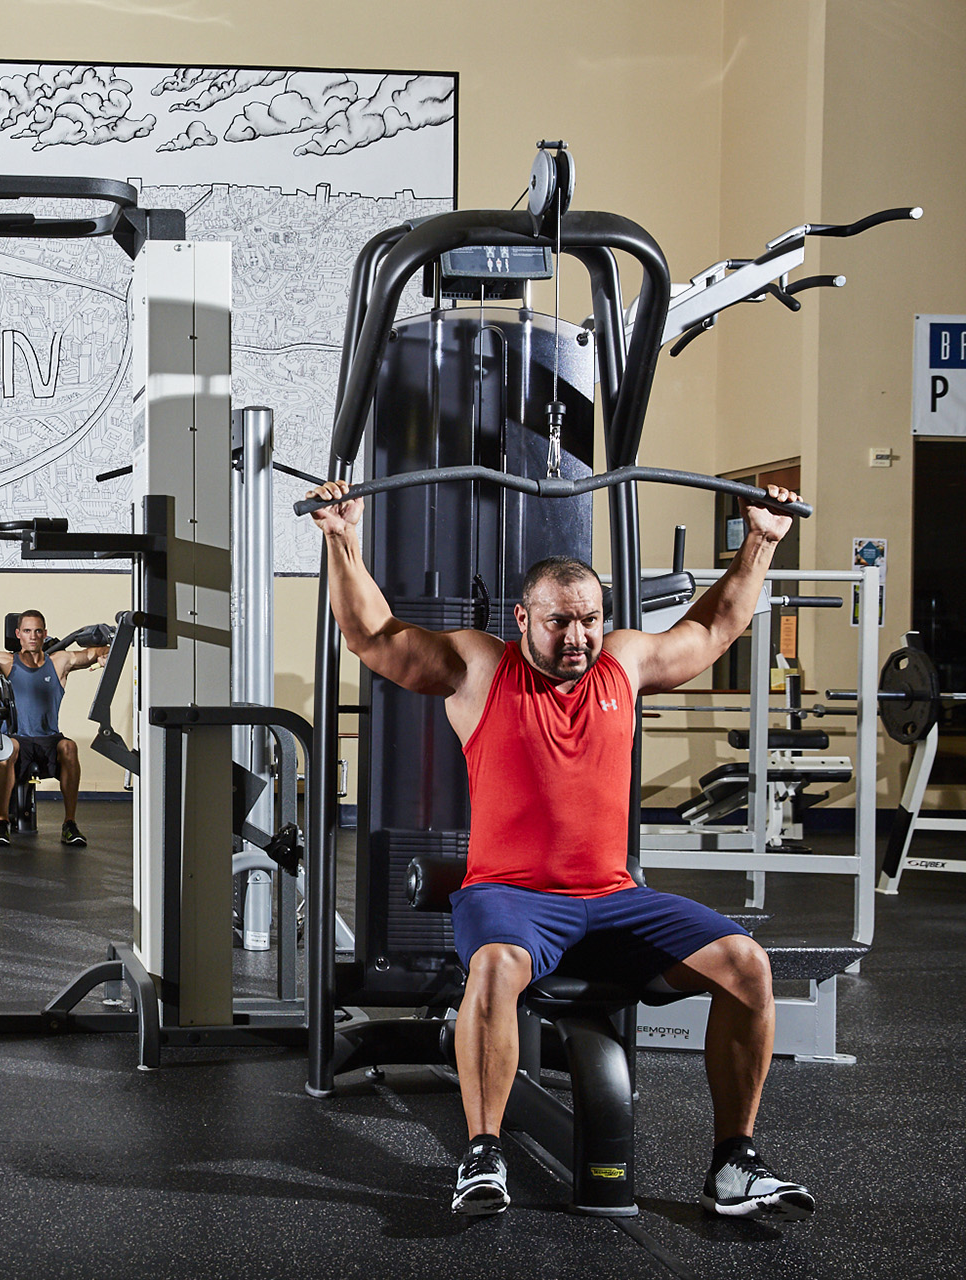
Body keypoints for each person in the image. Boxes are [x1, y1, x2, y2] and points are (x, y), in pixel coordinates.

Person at [307, 478, 815, 1222]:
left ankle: (733, 1163)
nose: (577, 637)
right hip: (510, 898)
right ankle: (483, 1153)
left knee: (747, 964)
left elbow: (711, 629)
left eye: (589, 621)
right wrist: (343, 539)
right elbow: (374, 637)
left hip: (613, 899)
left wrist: (762, 541)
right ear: (522, 619)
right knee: (494, 967)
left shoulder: (624, 665)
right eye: (559, 623)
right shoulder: (481, 667)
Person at [0, 610, 109, 848]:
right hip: (18, 739)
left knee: (70, 747)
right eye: (27, 631)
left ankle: (70, 824)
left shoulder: (59, 662)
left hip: (49, 739)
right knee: (6, 750)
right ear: (18, 634)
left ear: (45, 634)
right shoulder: (6, 661)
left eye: (37, 631)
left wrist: (105, 655)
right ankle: (2, 822)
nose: (32, 636)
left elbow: (95, 652)